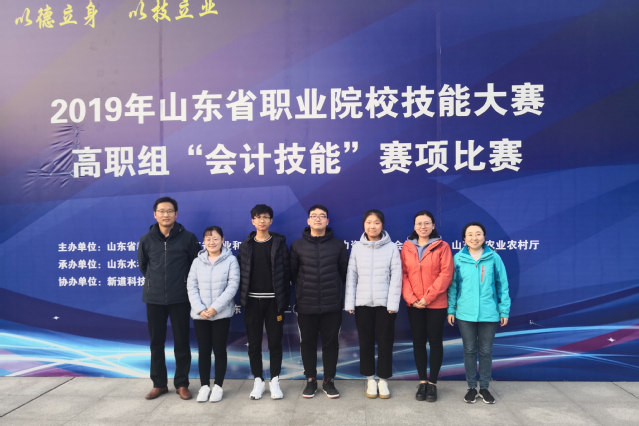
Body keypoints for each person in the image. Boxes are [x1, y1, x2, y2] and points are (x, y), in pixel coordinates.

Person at [137, 197, 201, 400]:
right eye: (162, 211)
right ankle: (159, 384)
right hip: (154, 298)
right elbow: (144, 266)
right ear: (155, 214)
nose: (166, 215)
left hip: (180, 297)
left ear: (176, 214)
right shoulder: (146, 239)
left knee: (182, 342)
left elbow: (196, 266)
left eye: (170, 211)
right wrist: (154, 283)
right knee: (156, 343)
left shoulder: (188, 238)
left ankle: (182, 383)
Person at [447, 222, 511, 404]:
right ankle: (471, 388)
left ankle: (484, 388)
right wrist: (451, 309)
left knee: (485, 351)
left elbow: (502, 285)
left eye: (478, 234)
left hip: (489, 312)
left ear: (484, 236)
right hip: (465, 312)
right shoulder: (458, 258)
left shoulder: (494, 257)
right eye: (470, 234)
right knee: (469, 350)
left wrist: (504, 310)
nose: (474, 238)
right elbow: (453, 286)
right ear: (464, 238)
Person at [290, 205, 348, 399]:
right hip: (306, 305)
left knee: (331, 344)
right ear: (308, 221)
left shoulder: (338, 245)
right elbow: (293, 274)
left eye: (322, 216)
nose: (318, 219)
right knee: (307, 343)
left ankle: (329, 381)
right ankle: (311, 380)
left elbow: (344, 273)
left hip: (332, 305)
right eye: (314, 216)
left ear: (327, 221)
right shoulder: (297, 246)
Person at [344, 209, 402, 399]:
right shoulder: (357, 248)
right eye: (369, 222)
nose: (372, 226)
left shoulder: (392, 247)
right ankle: (370, 379)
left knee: (385, 342)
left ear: (382, 225)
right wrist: (350, 302)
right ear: (364, 224)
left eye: (376, 222)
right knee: (365, 342)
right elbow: (351, 276)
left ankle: (383, 380)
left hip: (385, 305)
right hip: (362, 304)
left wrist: (392, 304)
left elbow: (396, 277)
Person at [237, 204, 290, 400]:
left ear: (271, 221)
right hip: (252, 302)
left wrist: (283, 301)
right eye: (258, 217)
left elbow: (287, 273)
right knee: (254, 344)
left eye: (266, 217)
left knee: (275, 343)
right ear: (253, 221)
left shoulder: (280, 244)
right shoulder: (245, 246)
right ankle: (258, 380)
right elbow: (241, 274)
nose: (262, 220)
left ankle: (275, 380)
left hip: (274, 302)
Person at [401, 210, 454, 402]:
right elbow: (403, 274)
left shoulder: (443, 246)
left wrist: (427, 298)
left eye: (426, 223)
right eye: (419, 223)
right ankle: (422, 382)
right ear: (414, 226)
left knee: (435, 342)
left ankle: (433, 384)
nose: (422, 227)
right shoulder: (406, 247)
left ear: (433, 225)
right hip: (414, 304)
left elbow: (446, 274)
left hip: (436, 303)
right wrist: (411, 298)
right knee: (418, 342)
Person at [187, 226, 240, 403]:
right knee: (203, 350)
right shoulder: (197, 261)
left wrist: (215, 308)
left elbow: (233, 285)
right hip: (200, 315)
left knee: (219, 350)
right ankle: (204, 386)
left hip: (221, 314)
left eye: (215, 238)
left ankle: (218, 386)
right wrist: (200, 308)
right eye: (208, 239)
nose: (211, 242)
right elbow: (191, 286)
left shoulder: (231, 260)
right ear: (203, 241)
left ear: (222, 240)